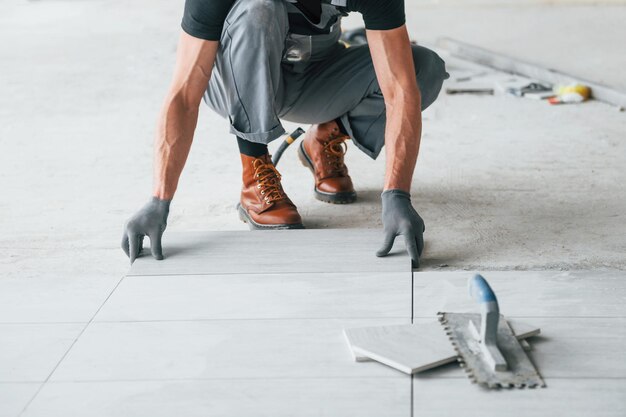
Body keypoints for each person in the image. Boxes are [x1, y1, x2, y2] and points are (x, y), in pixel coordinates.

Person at [121, 0, 449, 268]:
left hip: (312, 77)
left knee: (423, 69)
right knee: (258, 10)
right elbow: (183, 94)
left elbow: (400, 88)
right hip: (233, 82)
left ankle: (324, 140)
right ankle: (254, 174)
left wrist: (397, 193)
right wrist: (159, 200)